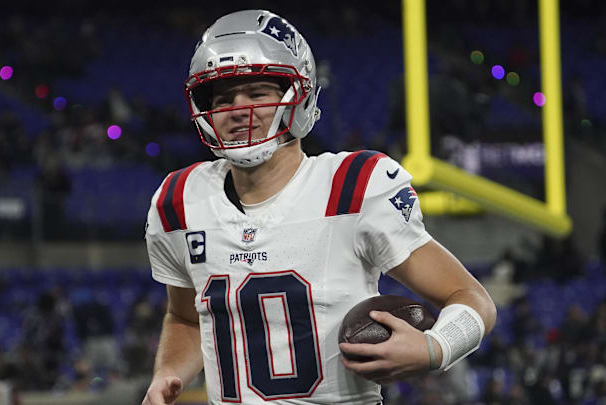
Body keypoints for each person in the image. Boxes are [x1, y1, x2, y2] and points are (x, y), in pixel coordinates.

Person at [142, 10, 497, 405]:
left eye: (257, 93)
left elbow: (471, 297)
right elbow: (187, 318)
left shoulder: (353, 186)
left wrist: (434, 348)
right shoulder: (179, 200)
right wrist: (168, 372)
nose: (237, 109)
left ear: (299, 95)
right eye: (223, 98)